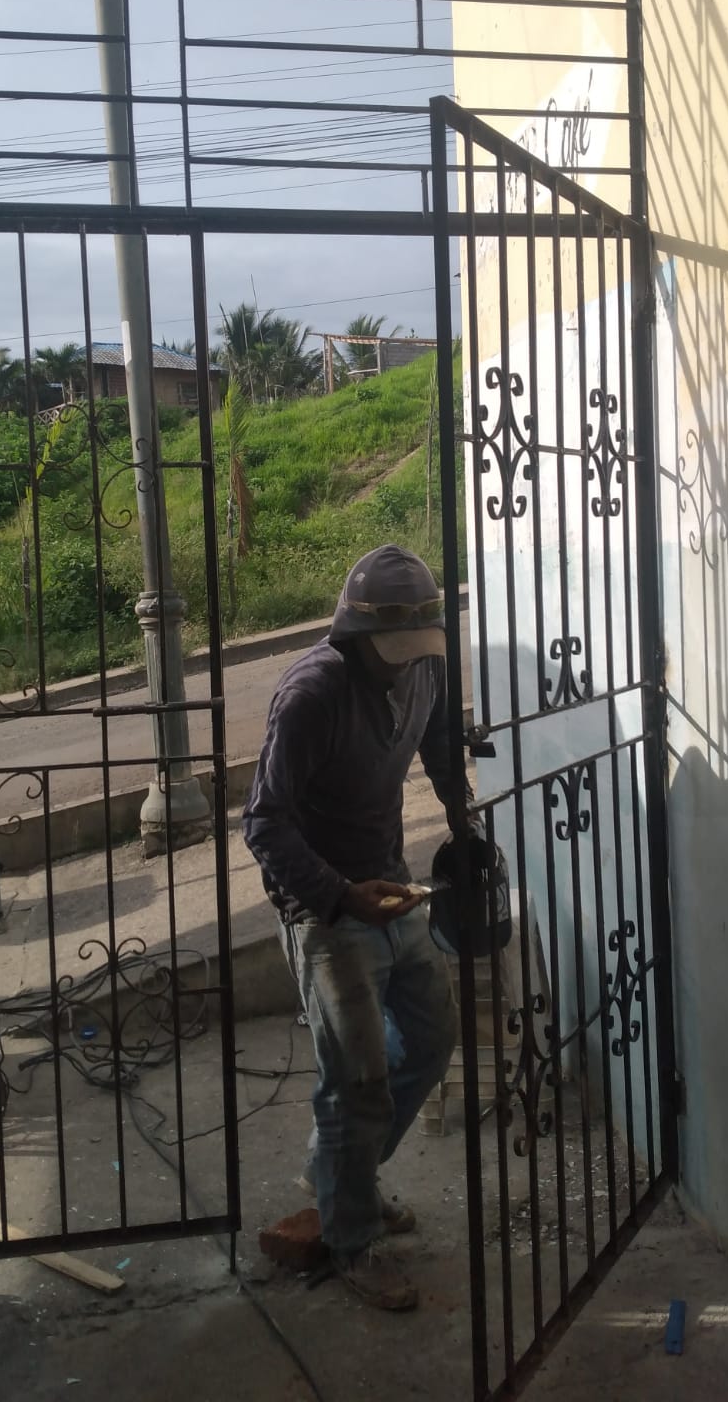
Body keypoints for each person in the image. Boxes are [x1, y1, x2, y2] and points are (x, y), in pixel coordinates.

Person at [242, 544, 464, 1312]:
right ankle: (352, 1239)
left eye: (415, 648)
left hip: (391, 887)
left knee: (431, 1038)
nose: (404, 664)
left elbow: (439, 745)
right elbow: (263, 823)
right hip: (324, 911)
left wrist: (463, 826)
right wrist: (341, 895)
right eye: (390, 650)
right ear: (353, 634)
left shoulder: (425, 667)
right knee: (356, 1077)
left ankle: (347, 1177)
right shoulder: (311, 696)